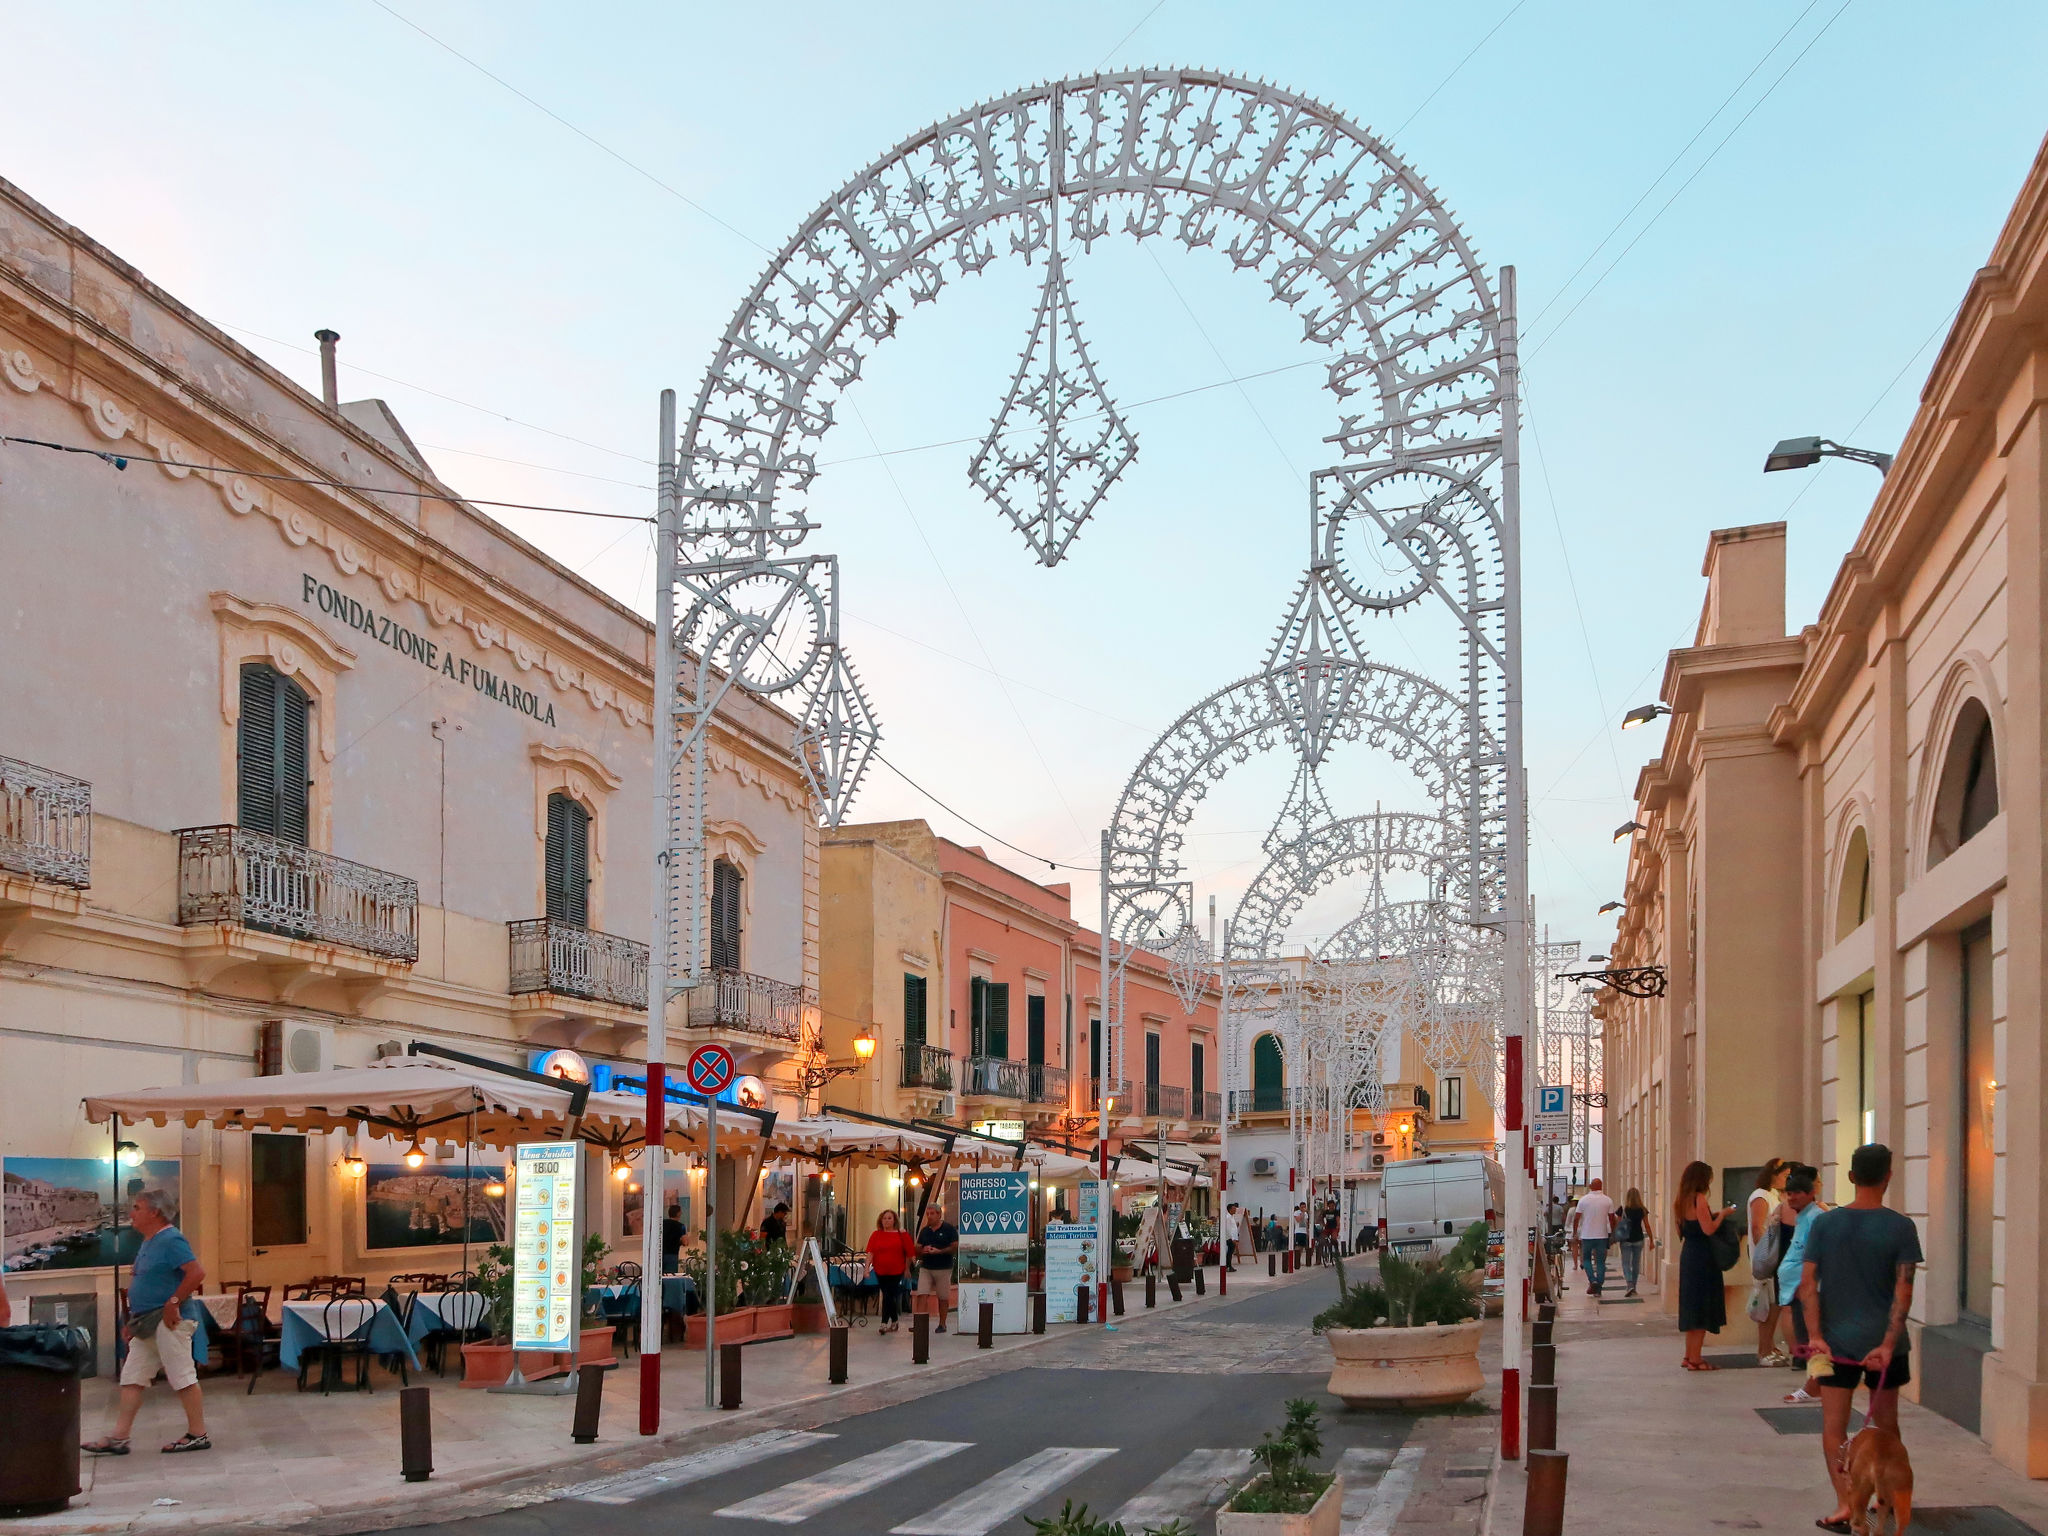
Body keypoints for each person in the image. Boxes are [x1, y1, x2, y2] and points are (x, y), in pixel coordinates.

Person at [1798, 1144, 1921, 1534]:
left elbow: (1807, 1285)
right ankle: (1885, 1500)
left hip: (1833, 1343)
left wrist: (1815, 1337)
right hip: (1885, 1345)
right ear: (1888, 1176)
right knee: (1885, 1427)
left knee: (1834, 1426)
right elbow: (1904, 1291)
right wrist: (1888, 1344)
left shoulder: (1824, 1224)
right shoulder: (1901, 1227)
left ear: (1851, 1177)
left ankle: (1845, 1505)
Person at [84, 1190, 210, 1455]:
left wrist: (173, 1302)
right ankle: (119, 1437)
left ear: (155, 1212)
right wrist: (131, 1322)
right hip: (146, 1322)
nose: (131, 1213)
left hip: (169, 1321)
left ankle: (198, 1434)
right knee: (132, 1377)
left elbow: (196, 1272)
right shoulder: (149, 1241)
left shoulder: (171, 1239)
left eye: (137, 1208)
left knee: (182, 1376)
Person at [1775, 1165, 1827, 1405]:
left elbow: (1815, 1256)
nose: (1792, 1197)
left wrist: (1805, 1286)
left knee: (1811, 1338)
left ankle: (1815, 1385)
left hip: (1805, 1289)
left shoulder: (1816, 1217)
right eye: (1789, 1193)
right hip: (1796, 1289)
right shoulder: (1804, 1217)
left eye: (1797, 1193)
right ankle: (1816, 1383)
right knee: (1806, 1338)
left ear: (1810, 1193)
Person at [1675, 1159, 1734, 1370]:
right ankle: (1696, 1359)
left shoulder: (1680, 1201)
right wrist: (1723, 1214)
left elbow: (1685, 1229)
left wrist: (1711, 1215)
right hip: (1703, 1257)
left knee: (1691, 1306)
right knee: (1702, 1307)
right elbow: (1708, 1229)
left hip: (1689, 1254)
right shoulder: (1698, 1199)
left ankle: (1688, 1355)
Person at [1749, 1158, 1793, 1364]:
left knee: (1774, 1305)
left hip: (1775, 1256)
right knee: (1767, 1307)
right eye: (1785, 1175)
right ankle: (1763, 1349)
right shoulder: (1761, 1196)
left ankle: (1769, 1345)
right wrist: (1765, 1254)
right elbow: (1757, 1226)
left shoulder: (1774, 1195)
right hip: (1767, 1259)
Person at [865, 1209, 916, 1333]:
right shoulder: (876, 1235)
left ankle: (883, 1323)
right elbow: (870, 1252)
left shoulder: (901, 1234)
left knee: (888, 1295)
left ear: (894, 1220)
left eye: (889, 1218)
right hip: (880, 1270)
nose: (886, 1221)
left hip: (896, 1270)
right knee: (888, 1296)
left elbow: (909, 1252)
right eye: (884, 1218)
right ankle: (894, 1321)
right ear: (881, 1220)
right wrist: (866, 1269)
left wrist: (907, 1268)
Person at [915, 1200, 958, 1331]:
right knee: (922, 1294)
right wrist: (923, 1250)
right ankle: (920, 1324)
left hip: (943, 1268)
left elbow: (954, 1247)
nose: (929, 1216)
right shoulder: (924, 1231)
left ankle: (942, 1323)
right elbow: (917, 1249)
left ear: (939, 1214)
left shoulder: (949, 1229)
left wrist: (940, 1251)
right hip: (926, 1267)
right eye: (928, 1214)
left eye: (932, 1213)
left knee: (943, 1297)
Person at [1572, 1178, 1617, 1297]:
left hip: (1587, 1235)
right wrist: (1612, 1232)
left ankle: (1593, 1280)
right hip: (1602, 1235)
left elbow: (1576, 1218)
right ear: (1601, 1186)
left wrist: (1575, 1232)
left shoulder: (1583, 1200)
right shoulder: (1608, 1200)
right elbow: (1612, 1219)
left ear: (1591, 1186)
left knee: (1586, 1259)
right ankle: (1599, 1284)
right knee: (1601, 1261)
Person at [1616, 1187, 1654, 1299]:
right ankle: (1634, 1287)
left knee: (1626, 1263)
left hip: (1626, 1240)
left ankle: (1629, 1284)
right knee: (1636, 1264)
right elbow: (1647, 1225)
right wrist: (1651, 1240)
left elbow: (1618, 1224)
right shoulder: (1643, 1210)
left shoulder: (1622, 1209)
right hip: (1638, 1239)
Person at [661, 1201, 685, 1276]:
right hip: (672, 1254)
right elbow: (685, 1242)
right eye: (680, 1212)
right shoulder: (681, 1226)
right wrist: (679, 1241)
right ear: (678, 1214)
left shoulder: (662, 1223)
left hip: (660, 1253)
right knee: (670, 1276)